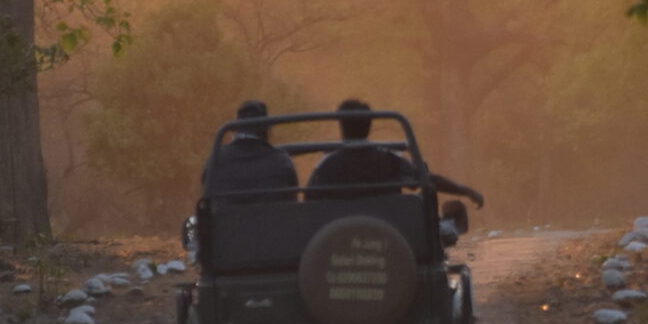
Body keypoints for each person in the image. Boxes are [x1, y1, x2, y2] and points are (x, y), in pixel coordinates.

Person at [306, 98, 485, 209]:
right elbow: (428, 180)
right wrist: (466, 191)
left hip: (337, 248)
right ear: (370, 125)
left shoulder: (327, 166)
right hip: (389, 244)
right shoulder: (389, 160)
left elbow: (310, 202)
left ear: (341, 125)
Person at [200, 99, 299, 200]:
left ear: (237, 128)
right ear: (266, 129)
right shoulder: (282, 161)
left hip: (227, 215)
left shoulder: (216, 158)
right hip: (269, 216)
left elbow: (206, 195)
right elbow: (292, 203)